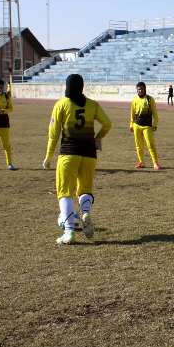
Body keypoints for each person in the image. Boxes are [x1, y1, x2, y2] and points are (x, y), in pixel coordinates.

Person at [42, 74, 112, 245]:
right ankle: (85, 212)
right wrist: (98, 137)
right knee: (85, 190)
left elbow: (53, 135)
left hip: (69, 153)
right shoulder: (93, 105)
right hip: (89, 154)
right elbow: (107, 123)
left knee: (64, 192)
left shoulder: (61, 104)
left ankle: (69, 232)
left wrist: (48, 157)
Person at [130, 81, 161, 170]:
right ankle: (141, 162)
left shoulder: (150, 99)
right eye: (138, 89)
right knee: (138, 145)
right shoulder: (134, 100)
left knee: (150, 145)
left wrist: (155, 124)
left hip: (147, 126)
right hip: (137, 125)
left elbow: (155, 113)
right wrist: (131, 124)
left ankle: (155, 163)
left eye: (141, 89)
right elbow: (132, 113)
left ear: (145, 89)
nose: (140, 91)